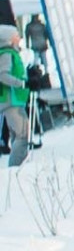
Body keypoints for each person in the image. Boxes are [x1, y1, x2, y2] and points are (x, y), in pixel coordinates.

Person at [0, 25, 31, 167]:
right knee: (23, 135)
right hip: (11, 101)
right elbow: (3, 75)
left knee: (17, 136)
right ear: (9, 38)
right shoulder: (6, 54)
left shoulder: (11, 53)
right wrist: (21, 84)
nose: (19, 38)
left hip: (15, 100)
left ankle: (17, 168)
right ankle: (15, 168)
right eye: (16, 35)